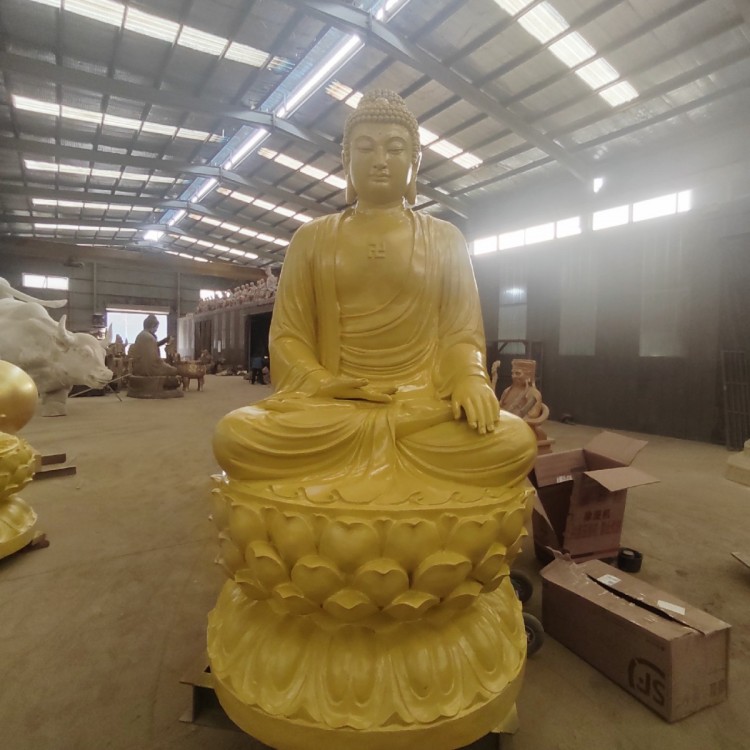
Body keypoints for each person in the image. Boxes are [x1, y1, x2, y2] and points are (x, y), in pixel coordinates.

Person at [213, 90, 535, 499]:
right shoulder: (311, 238)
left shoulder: (445, 239)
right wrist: (323, 382)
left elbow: (460, 336)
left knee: (514, 441)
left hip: (420, 405)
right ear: (346, 160)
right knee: (236, 435)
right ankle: (392, 464)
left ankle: (361, 468)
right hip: (335, 406)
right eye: (365, 148)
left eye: (395, 149)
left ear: (415, 162)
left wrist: (470, 379)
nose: (380, 160)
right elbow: (288, 337)